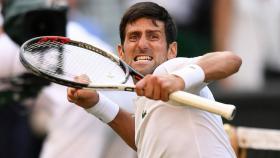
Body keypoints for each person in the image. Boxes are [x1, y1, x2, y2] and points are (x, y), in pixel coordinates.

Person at [67, 2, 242, 158]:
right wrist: (96, 104)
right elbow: (143, 141)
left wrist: (177, 80)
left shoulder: (171, 68)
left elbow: (231, 60)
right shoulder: (143, 100)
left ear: (172, 51)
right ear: (121, 52)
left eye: (153, 36)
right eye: (134, 37)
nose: (142, 44)